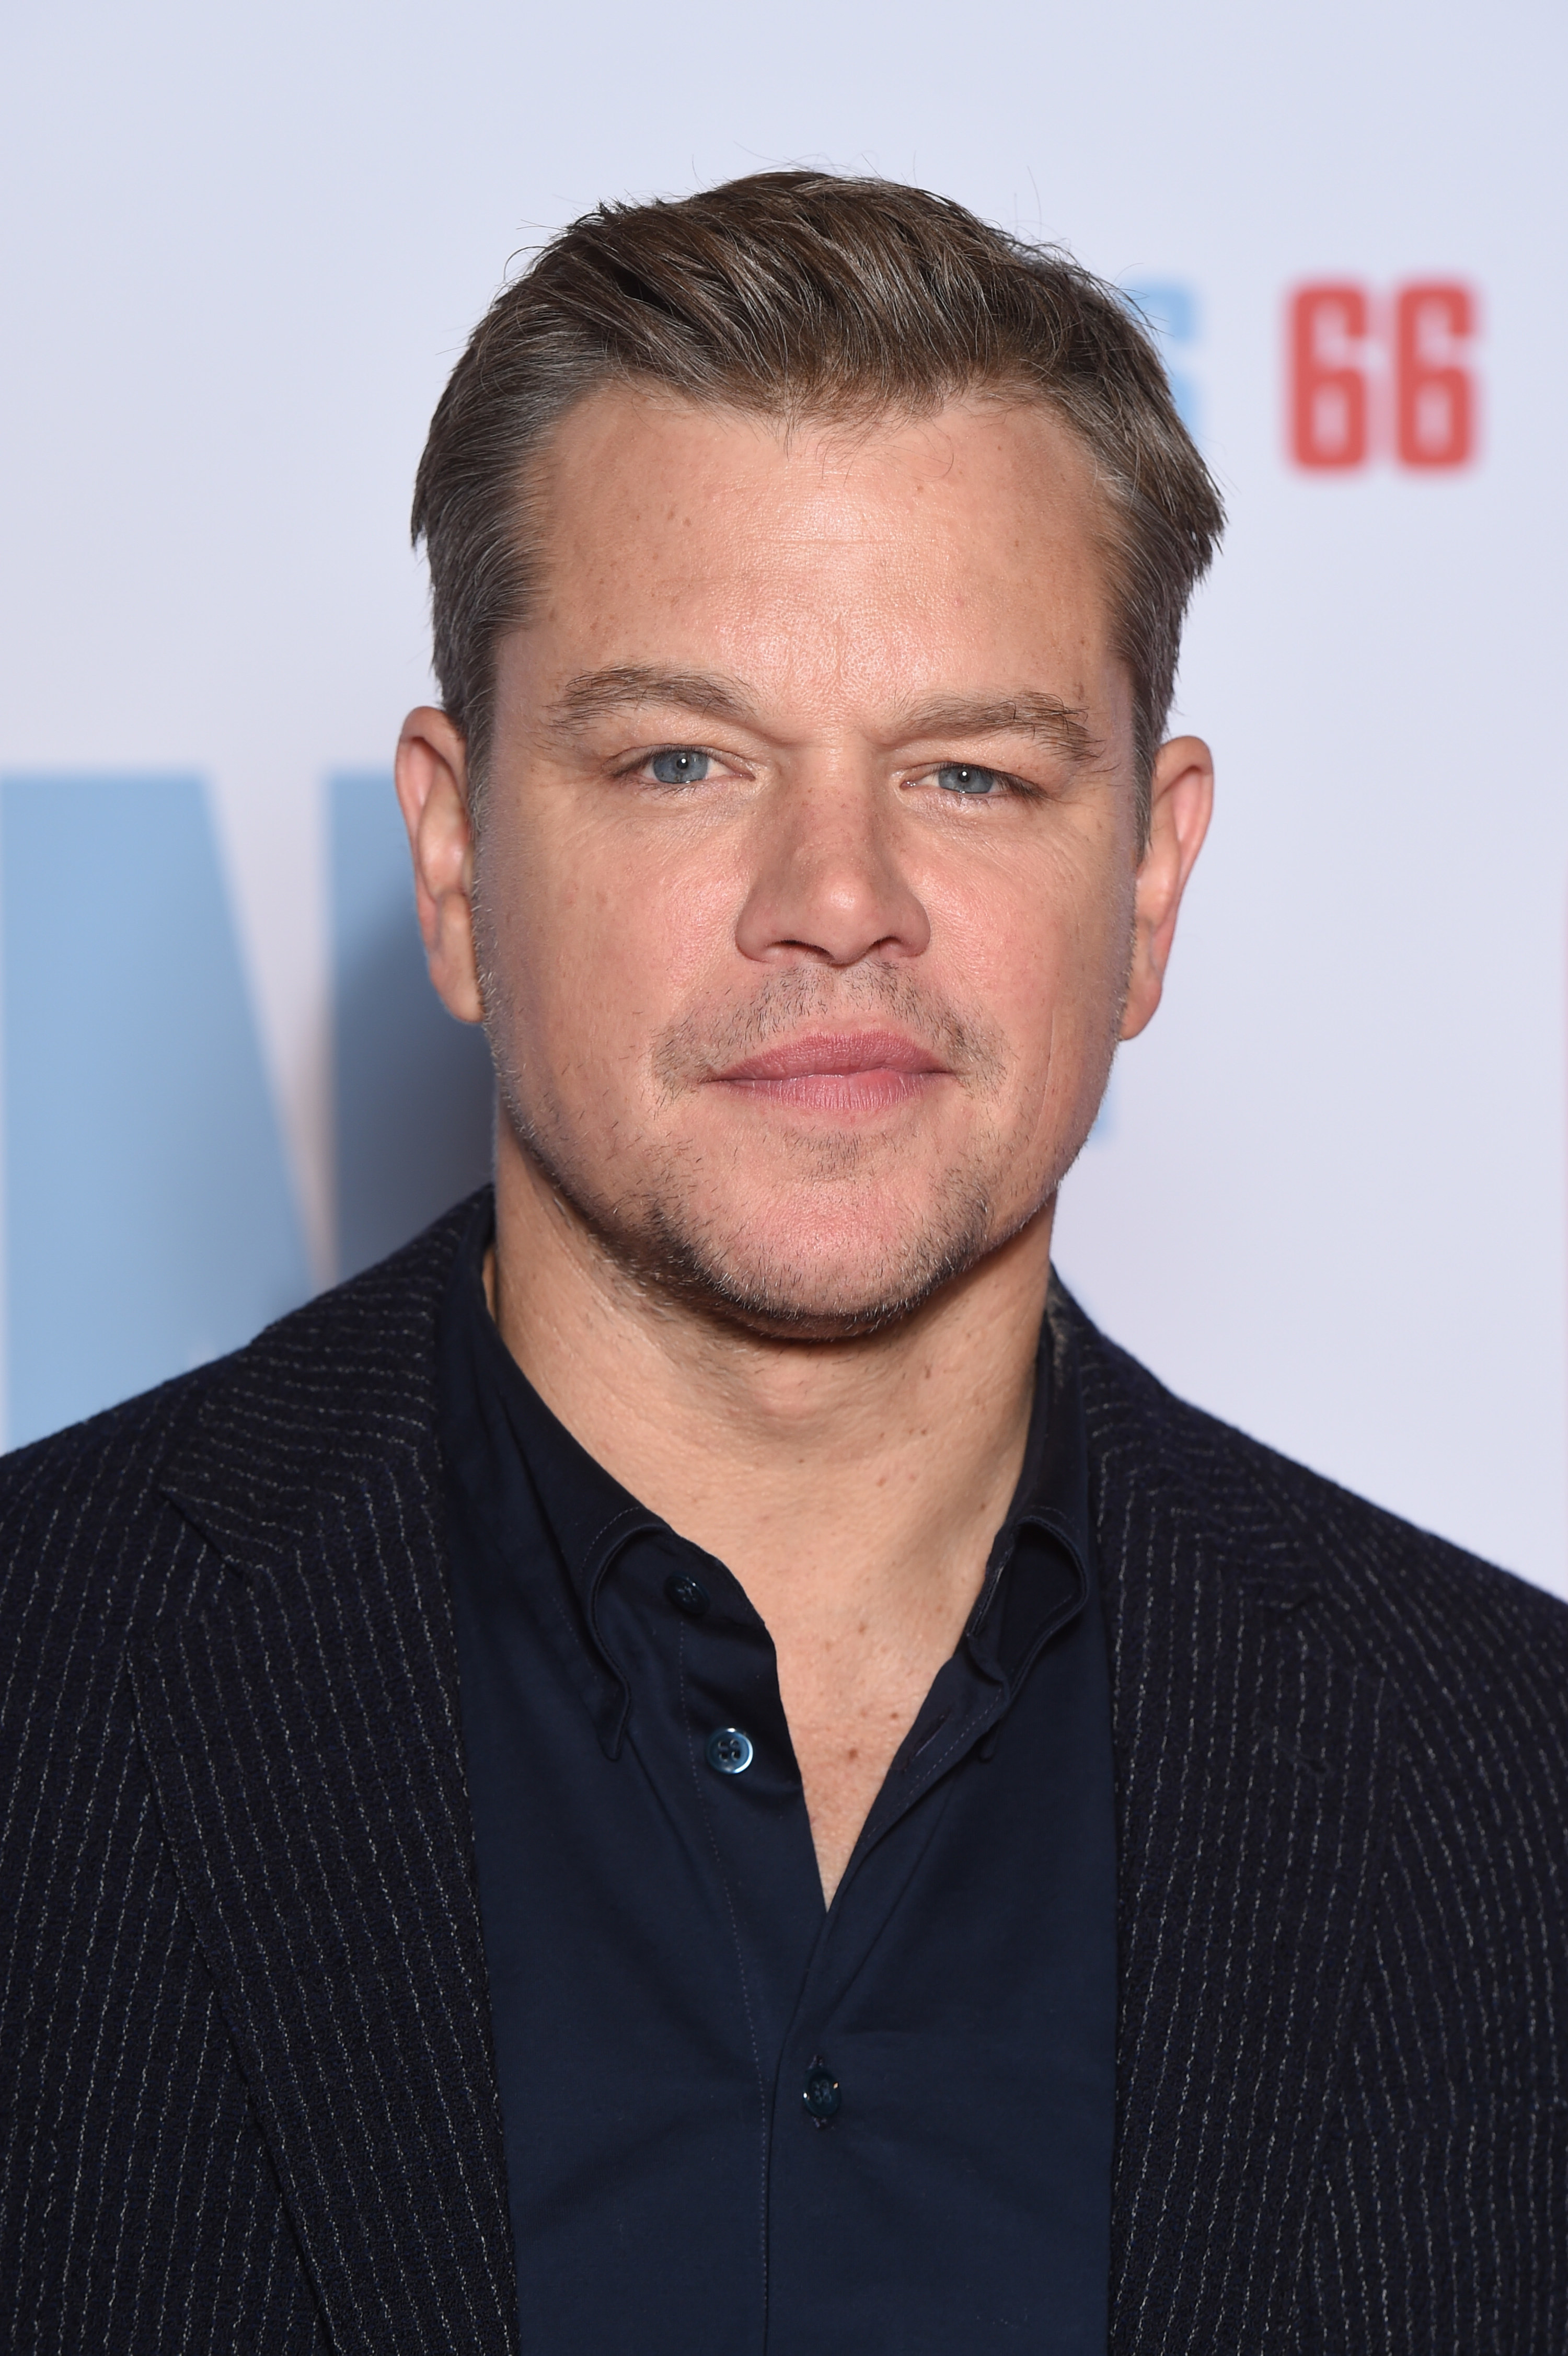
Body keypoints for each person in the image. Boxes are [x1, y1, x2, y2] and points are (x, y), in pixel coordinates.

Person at [2, 173, 1564, 2356]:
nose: (836, 895)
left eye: (972, 772)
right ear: (453, 857)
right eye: (681, 757)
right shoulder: (42, 1688)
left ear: (1149, 875)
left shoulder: (1507, 1796)